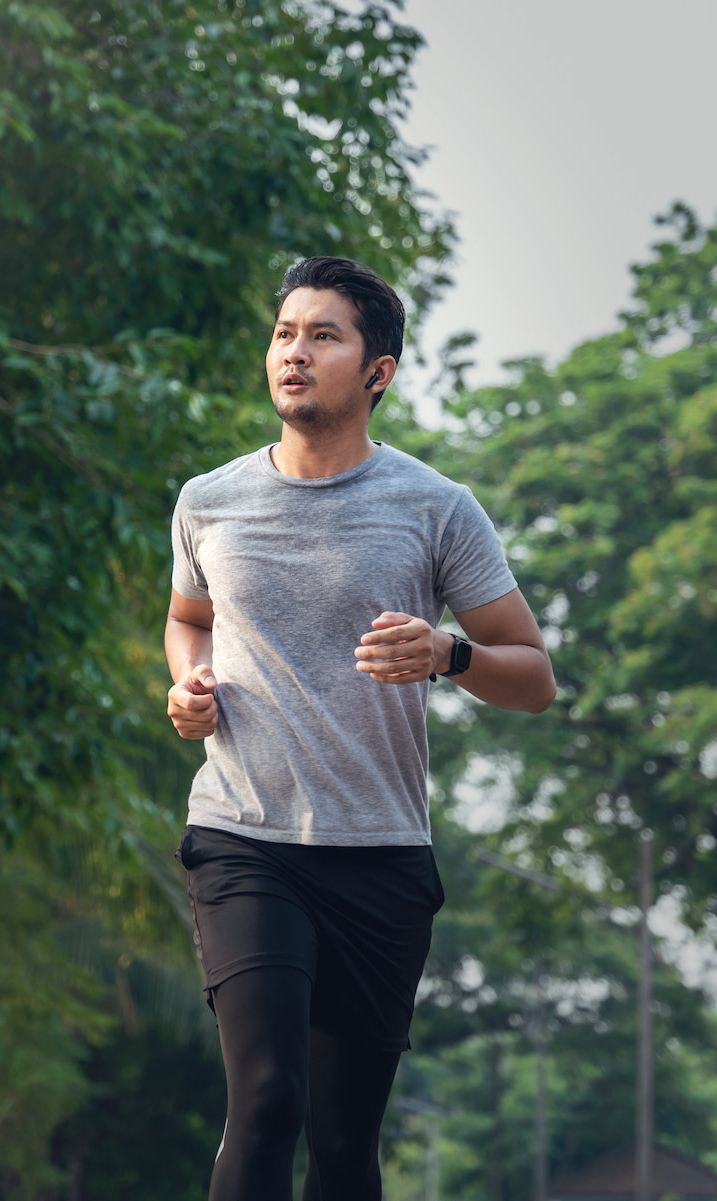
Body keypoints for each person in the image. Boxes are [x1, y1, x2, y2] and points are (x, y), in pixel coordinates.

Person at [165, 256, 556, 1200]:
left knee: (345, 1142)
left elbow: (535, 676)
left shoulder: (435, 508)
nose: (293, 353)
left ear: (377, 370)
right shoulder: (208, 500)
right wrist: (189, 686)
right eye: (284, 333)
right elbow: (188, 617)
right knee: (266, 1099)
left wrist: (448, 655)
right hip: (245, 837)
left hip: (380, 851)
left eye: (323, 335)